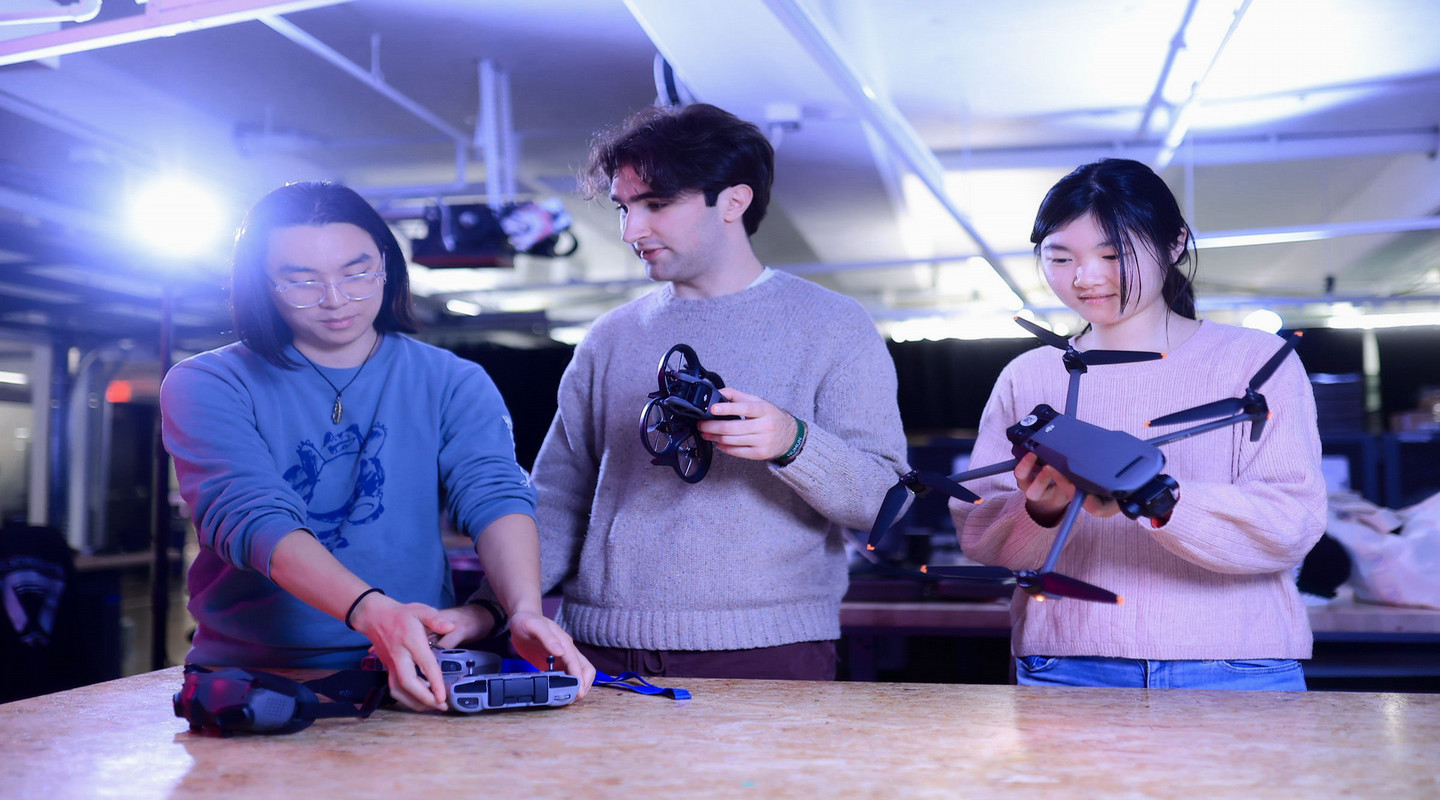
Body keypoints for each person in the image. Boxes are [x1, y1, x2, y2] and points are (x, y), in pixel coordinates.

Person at [460, 103, 908, 681]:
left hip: (769, 652)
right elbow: (554, 501)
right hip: (598, 651)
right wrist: (487, 607)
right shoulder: (609, 337)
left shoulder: (833, 326)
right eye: (624, 208)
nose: (630, 231)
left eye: (656, 204)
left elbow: (885, 504)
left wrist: (793, 442)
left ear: (734, 201)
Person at [161, 181, 594, 711]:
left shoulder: (452, 379)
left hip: (418, 666)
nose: (336, 300)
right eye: (301, 281)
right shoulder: (206, 382)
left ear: (388, 265)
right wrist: (372, 611)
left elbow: (496, 495)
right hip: (254, 674)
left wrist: (524, 609)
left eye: (357, 272)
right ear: (260, 283)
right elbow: (250, 517)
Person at [951, 158, 1326, 690]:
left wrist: (1155, 496)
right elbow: (980, 534)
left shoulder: (1257, 362)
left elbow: (1292, 524)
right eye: (1061, 258)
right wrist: (1041, 509)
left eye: (1113, 254)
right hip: (1068, 667)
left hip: (1239, 667)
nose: (1086, 277)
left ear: (1175, 244)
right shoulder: (1029, 375)